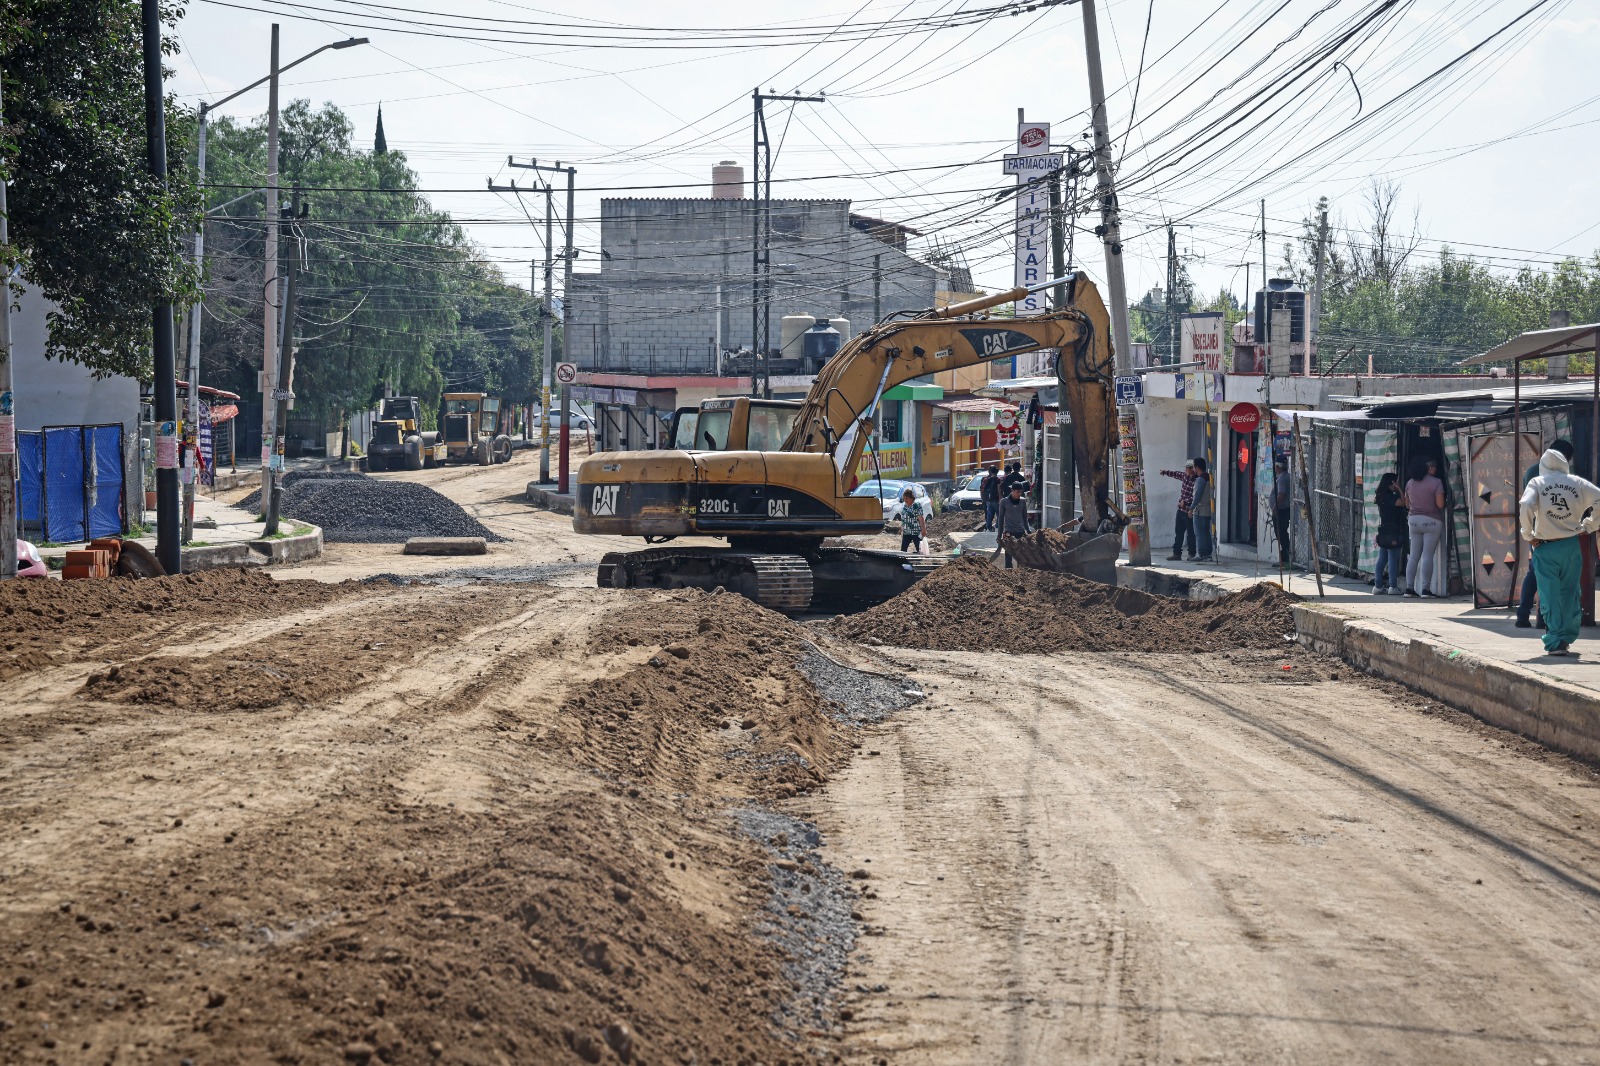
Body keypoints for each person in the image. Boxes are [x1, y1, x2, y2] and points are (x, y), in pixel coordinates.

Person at [1519, 445, 1600, 656]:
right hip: (1572, 546)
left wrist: (1528, 534)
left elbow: (1526, 504)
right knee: (1570, 593)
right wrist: (1590, 525)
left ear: (1543, 466)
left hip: (1545, 547)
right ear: (1565, 464)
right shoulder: (1577, 483)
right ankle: (1566, 637)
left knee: (1549, 595)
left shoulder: (1537, 482)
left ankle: (1555, 641)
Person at [1403, 456, 1446, 597]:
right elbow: (1440, 504)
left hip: (1414, 521)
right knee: (1427, 555)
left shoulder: (1410, 483)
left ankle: (1409, 588)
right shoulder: (1436, 482)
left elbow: (1407, 504)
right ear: (1428, 468)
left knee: (1414, 556)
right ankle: (1425, 589)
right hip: (1432, 520)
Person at [1373, 471, 1407, 595]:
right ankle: (1393, 586)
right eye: (1396, 481)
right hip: (1394, 530)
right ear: (1391, 483)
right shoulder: (1392, 498)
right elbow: (1405, 503)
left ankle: (1377, 585)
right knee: (1393, 558)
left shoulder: (1381, 496)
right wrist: (1400, 489)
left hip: (1384, 530)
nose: (1398, 483)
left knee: (1382, 558)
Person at [1160, 460, 1198, 561]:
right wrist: (1165, 472)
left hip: (1189, 511)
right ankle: (1177, 553)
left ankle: (1192, 553)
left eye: (1187, 468)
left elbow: (1196, 497)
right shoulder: (1185, 476)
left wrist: (1185, 502)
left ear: (1191, 469)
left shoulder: (1196, 480)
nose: (1185, 470)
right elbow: (1176, 474)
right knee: (1179, 532)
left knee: (1190, 533)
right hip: (1181, 510)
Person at [996, 482, 1031, 567]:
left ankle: (1021, 573)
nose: (1019, 494)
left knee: (1022, 554)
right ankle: (1008, 572)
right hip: (1009, 532)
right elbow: (1000, 519)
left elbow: (1024, 517)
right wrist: (999, 535)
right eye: (1017, 492)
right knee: (1008, 554)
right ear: (1012, 490)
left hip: (1020, 531)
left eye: (1021, 492)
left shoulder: (1022, 501)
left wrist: (1028, 531)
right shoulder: (1004, 502)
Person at [1190, 456, 1215, 563]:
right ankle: (1208, 554)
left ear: (1197, 467)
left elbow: (1197, 495)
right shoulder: (1209, 477)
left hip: (1200, 509)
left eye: (1194, 467)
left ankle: (1201, 553)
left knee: (1199, 532)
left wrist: (1191, 508)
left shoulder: (1201, 479)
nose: (1193, 470)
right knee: (1206, 532)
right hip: (1208, 509)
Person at [1273, 458, 1294, 567]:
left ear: (1277, 467)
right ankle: (1285, 555)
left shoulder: (1282, 478)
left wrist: (1275, 507)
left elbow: (1281, 494)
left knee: (1281, 533)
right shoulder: (1287, 476)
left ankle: (1285, 556)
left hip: (1282, 510)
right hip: (1283, 509)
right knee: (1281, 533)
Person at [895, 487, 927, 553]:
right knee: (903, 550)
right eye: (904, 498)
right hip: (906, 532)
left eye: (907, 498)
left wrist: (923, 529)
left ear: (912, 498)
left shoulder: (916, 506)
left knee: (920, 549)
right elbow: (903, 518)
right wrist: (901, 527)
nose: (905, 500)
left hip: (915, 532)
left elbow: (921, 518)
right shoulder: (905, 506)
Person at [979, 464, 1001, 532]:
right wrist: (1000, 498)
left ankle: (988, 527)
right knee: (999, 513)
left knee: (989, 514)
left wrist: (983, 498)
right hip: (995, 499)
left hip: (987, 499)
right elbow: (999, 489)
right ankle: (997, 526)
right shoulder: (997, 479)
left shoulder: (984, 479)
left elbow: (982, 489)